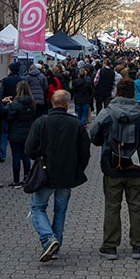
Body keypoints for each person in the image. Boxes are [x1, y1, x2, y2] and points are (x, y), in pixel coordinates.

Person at [90, 78, 140, 260]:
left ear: (117, 93)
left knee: (112, 206)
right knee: (136, 207)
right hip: (136, 167)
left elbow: (94, 136)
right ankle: (138, 246)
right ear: (133, 94)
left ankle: (110, 246)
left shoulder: (107, 112)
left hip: (112, 166)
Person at [24, 89, 91, 262]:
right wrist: (78, 168)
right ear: (67, 104)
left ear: (52, 102)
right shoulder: (76, 124)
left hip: (45, 173)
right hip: (67, 174)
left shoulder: (41, 122)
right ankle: (54, 247)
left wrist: (38, 157)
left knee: (37, 207)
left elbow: (29, 149)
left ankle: (48, 239)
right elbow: (85, 151)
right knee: (60, 210)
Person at [6, 80, 36, 187]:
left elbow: (9, 118)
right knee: (25, 156)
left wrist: (8, 107)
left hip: (15, 133)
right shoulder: (32, 102)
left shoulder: (15, 104)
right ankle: (27, 178)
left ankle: (16, 180)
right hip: (27, 132)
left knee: (16, 157)